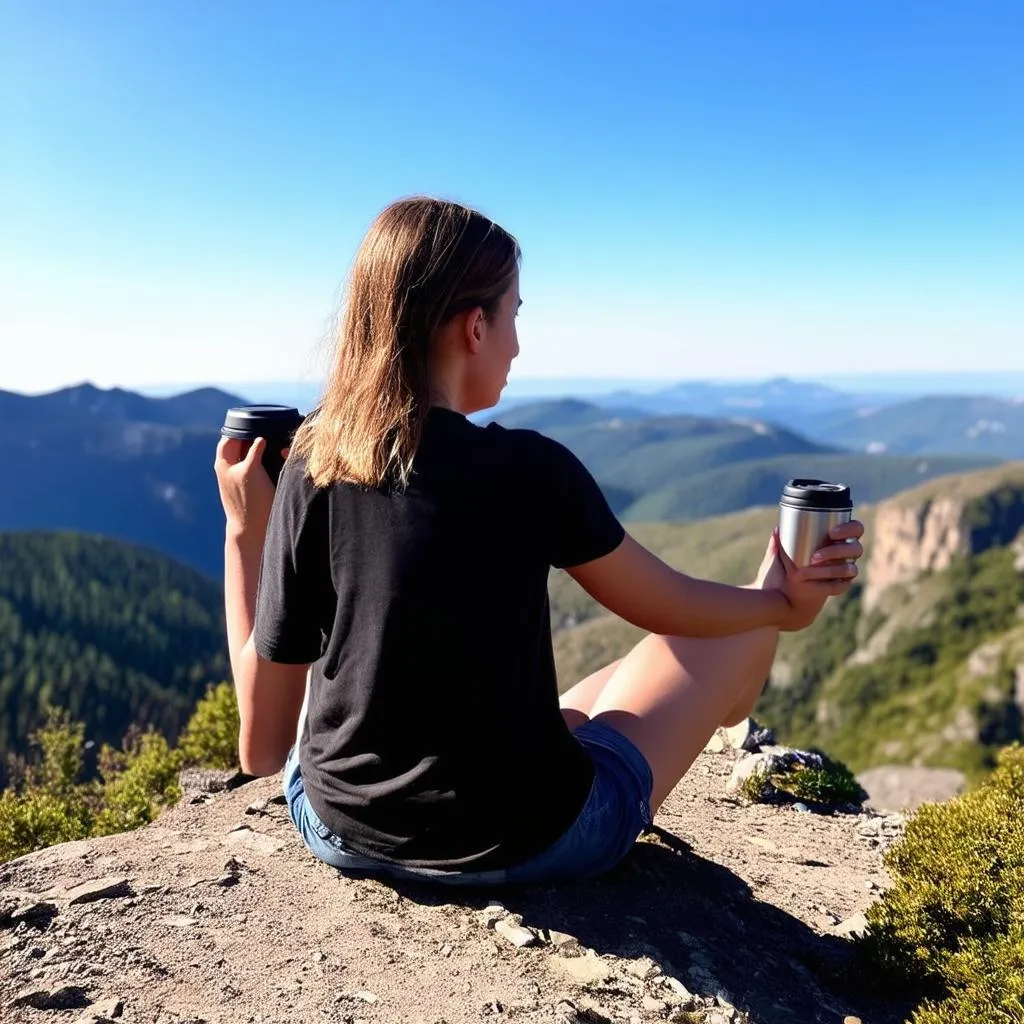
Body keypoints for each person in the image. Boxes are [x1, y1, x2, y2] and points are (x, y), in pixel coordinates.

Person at [213, 196, 865, 887]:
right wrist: (780, 605)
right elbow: (672, 607)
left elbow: (260, 747)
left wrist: (244, 531)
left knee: (597, 693)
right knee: (735, 636)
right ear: (473, 327)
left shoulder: (315, 467)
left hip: (340, 830)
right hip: (535, 839)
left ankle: (623, 724)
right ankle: (734, 710)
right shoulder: (532, 472)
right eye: (513, 315)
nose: (517, 346)